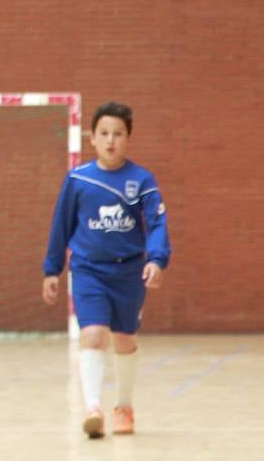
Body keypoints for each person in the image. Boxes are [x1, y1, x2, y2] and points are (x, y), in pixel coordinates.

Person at [42, 101, 171, 439]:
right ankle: (93, 408)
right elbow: (61, 226)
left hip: (128, 273)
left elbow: (157, 224)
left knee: (124, 339)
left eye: (118, 134)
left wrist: (156, 260)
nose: (111, 140)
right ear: (92, 138)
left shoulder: (142, 180)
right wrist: (52, 269)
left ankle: (124, 407)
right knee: (93, 335)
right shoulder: (78, 180)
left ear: (128, 138)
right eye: (104, 133)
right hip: (88, 271)